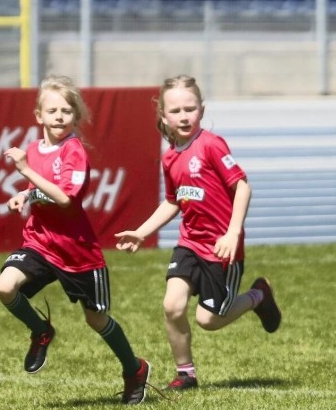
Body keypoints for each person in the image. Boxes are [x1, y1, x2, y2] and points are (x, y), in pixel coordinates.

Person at [115, 75, 281, 392]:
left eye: (190, 108)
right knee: (172, 306)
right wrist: (140, 232)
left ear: (201, 111)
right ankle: (186, 374)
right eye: (175, 110)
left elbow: (242, 186)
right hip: (189, 244)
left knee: (209, 320)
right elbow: (173, 201)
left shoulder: (212, 145)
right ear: (164, 116)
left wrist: (233, 234)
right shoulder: (169, 157)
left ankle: (258, 296)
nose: (183, 116)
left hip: (221, 249)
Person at [0, 75, 151, 405]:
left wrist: (25, 173)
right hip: (40, 242)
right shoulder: (36, 149)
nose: (59, 116)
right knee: (5, 287)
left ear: (75, 116)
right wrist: (24, 196)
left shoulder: (74, 151)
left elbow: (65, 198)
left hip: (77, 252)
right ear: (39, 115)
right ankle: (41, 331)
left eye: (67, 110)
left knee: (96, 319)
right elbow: (43, 188)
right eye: (52, 110)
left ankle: (134, 369)